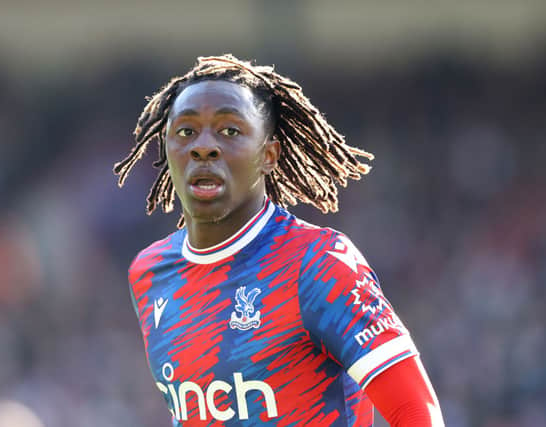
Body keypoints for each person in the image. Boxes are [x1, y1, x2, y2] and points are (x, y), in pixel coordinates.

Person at [114, 54, 444, 426]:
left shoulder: (317, 263)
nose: (203, 147)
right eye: (186, 131)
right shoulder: (150, 273)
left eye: (230, 130)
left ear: (268, 155)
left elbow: (416, 412)